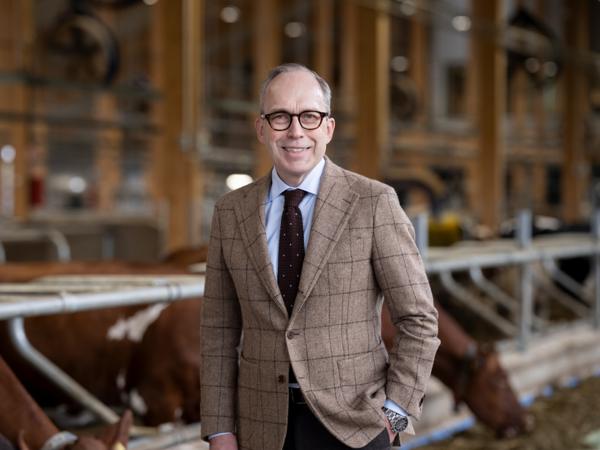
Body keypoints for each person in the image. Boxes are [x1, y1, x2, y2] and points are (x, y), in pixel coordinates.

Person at [201, 63, 440, 450]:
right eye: (280, 117)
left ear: (328, 128)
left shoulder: (373, 203)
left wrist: (395, 418)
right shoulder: (230, 212)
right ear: (261, 128)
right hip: (261, 429)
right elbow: (218, 331)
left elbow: (419, 320)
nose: (295, 131)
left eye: (309, 116)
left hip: (357, 428)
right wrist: (219, 429)